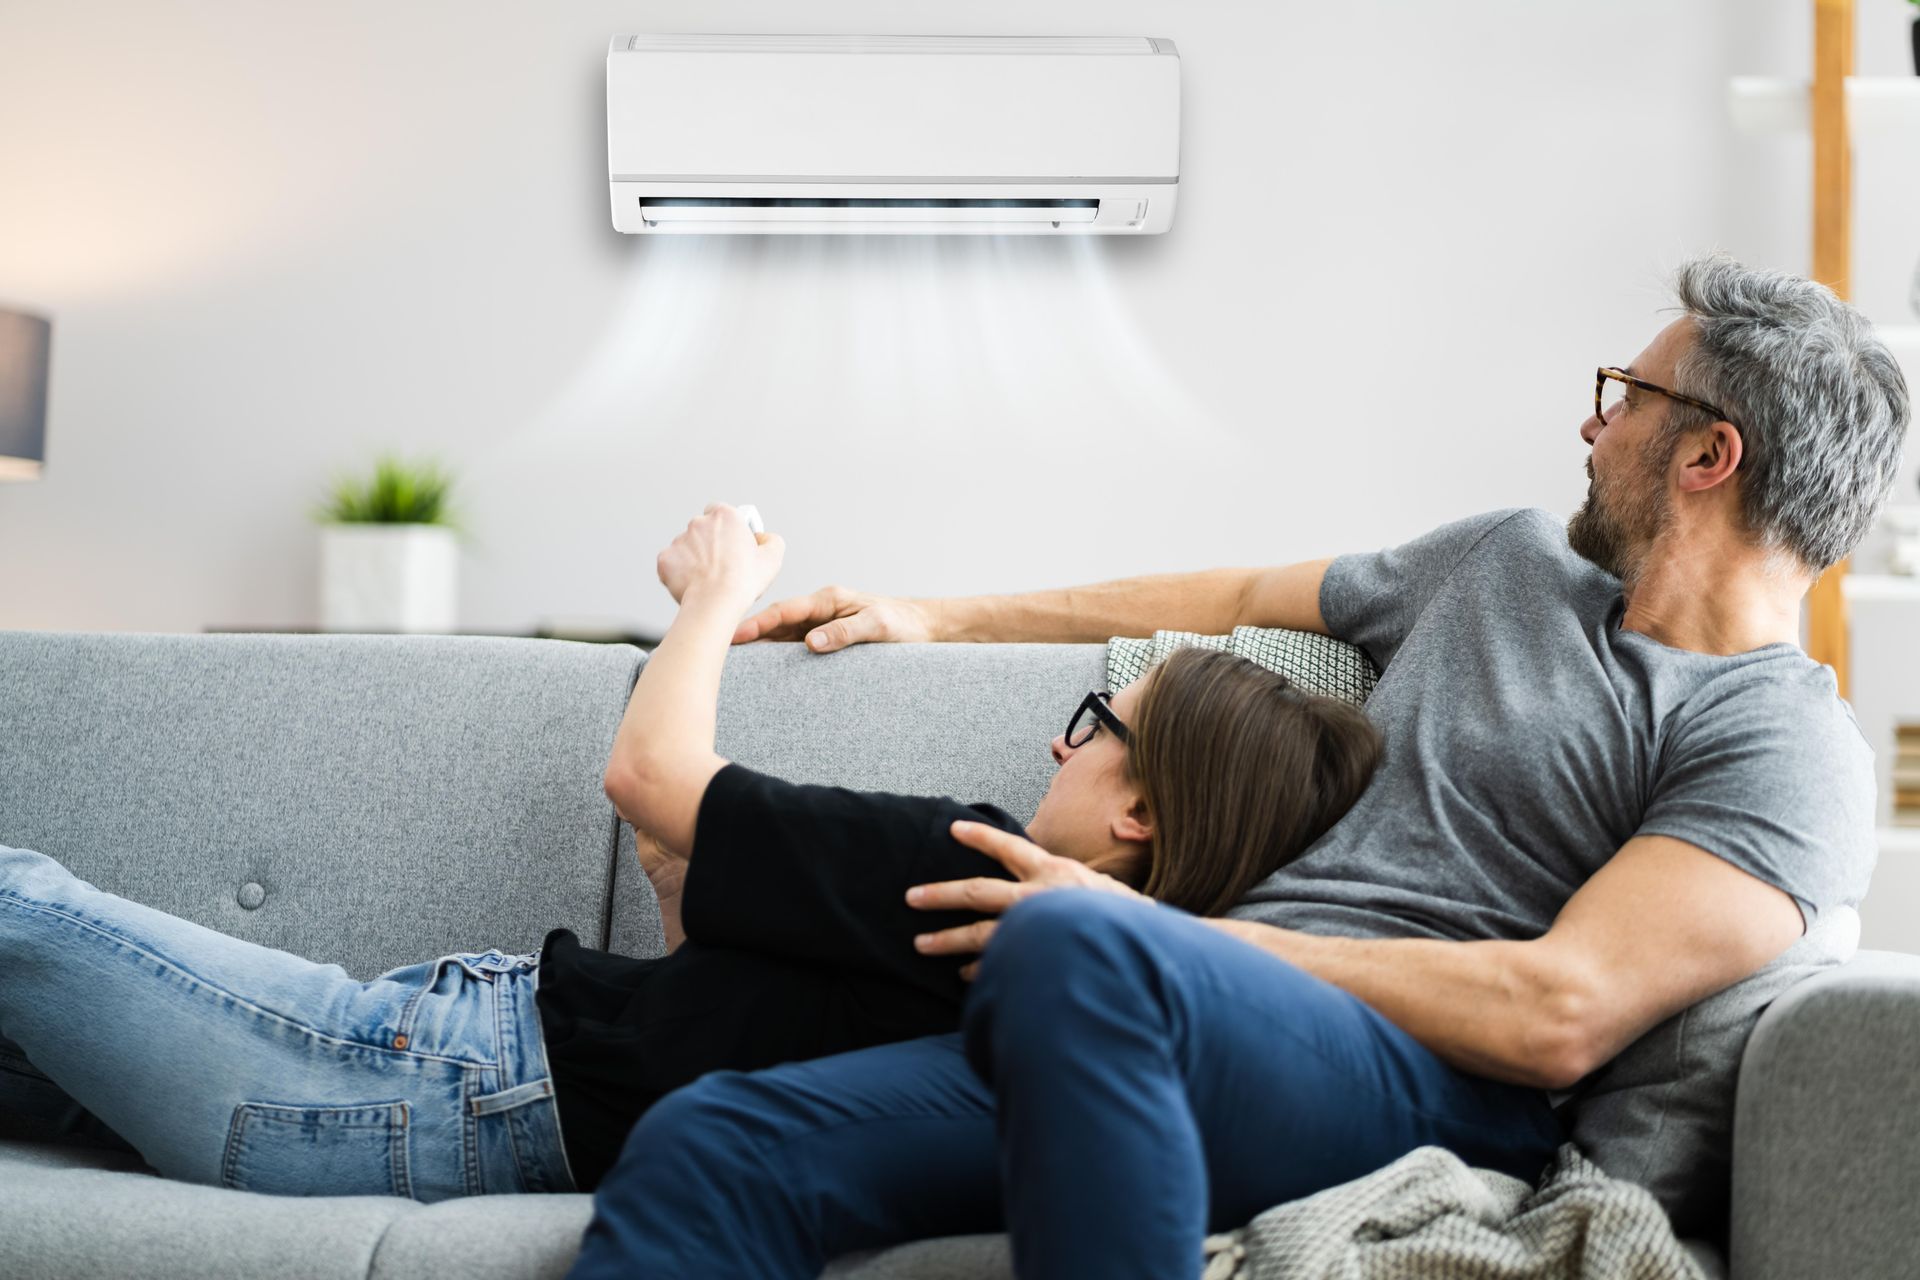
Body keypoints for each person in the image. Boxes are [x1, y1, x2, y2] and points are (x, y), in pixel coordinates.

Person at [568, 255, 1911, 1280]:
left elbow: (1553, 1013)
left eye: (1624, 400)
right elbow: (1242, 588)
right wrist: (942, 613)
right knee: (711, 1144)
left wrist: (1158, 936)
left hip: (1424, 1085)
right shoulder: (1502, 561)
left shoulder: (1781, 743)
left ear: (1706, 454)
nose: (1590, 428)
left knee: (1069, 951)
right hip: (1161, 1022)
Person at [0, 508, 1382, 1202]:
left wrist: (714, 592)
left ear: (1139, 812)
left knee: (18, 903)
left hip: (412, 1076)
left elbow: (645, 775)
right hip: (446, 1068)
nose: (1058, 751)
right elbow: (713, 990)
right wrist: (685, 879)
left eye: (1095, 728)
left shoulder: (972, 862)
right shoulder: (1074, 998)